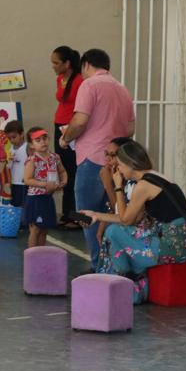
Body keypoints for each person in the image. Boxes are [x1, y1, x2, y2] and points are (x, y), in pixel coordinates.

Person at [81, 140, 186, 303]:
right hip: (180, 243)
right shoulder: (155, 177)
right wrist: (96, 216)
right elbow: (131, 218)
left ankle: (124, 289)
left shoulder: (143, 186)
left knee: (113, 232)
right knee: (116, 232)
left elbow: (125, 220)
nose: (119, 170)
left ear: (130, 164)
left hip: (172, 247)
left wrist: (118, 187)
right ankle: (130, 287)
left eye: (120, 165)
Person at [59, 48, 135, 270]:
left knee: (86, 215)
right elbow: (130, 128)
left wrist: (66, 138)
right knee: (113, 213)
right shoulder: (122, 88)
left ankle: (97, 265)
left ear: (86, 65)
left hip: (92, 158)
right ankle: (113, 264)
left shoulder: (89, 85)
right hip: (117, 163)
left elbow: (80, 120)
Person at [51, 46, 83, 226]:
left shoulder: (80, 80)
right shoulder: (60, 79)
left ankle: (75, 215)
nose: (53, 66)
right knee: (62, 169)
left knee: (73, 171)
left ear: (67, 63)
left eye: (56, 63)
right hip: (59, 126)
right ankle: (66, 213)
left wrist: (71, 130)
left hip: (71, 128)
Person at [22, 128, 66, 248]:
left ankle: (40, 254)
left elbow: (62, 171)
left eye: (45, 138)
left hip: (48, 197)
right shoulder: (32, 160)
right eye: (38, 140)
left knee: (44, 229)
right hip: (35, 199)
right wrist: (45, 184)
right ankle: (32, 256)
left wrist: (63, 181)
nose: (43, 142)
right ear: (31, 145)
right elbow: (27, 180)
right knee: (35, 229)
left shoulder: (55, 157)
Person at [100, 137, 135, 213]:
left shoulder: (133, 180)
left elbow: (120, 214)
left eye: (112, 155)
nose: (107, 158)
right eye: (106, 153)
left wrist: (108, 184)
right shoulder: (116, 175)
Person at [4, 120, 28, 208]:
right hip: (15, 183)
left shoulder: (28, 147)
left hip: (26, 183)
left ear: (22, 134)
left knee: (27, 207)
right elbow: (8, 167)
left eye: (14, 137)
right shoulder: (10, 150)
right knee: (17, 207)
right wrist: (9, 161)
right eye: (9, 138)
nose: (12, 140)